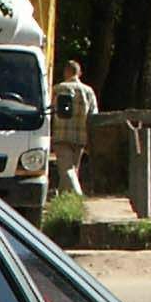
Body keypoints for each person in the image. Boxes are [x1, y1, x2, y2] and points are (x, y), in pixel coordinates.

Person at [50, 59, 100, 198]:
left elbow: (51, 111)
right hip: (80, 136)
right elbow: (93, 115)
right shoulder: (89, 91)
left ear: (66, 72)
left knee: (66, 170)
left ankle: (78, 198)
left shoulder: (58, 89)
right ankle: (63, 198)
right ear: (80, 73)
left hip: (61, 135)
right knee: (72, 170)